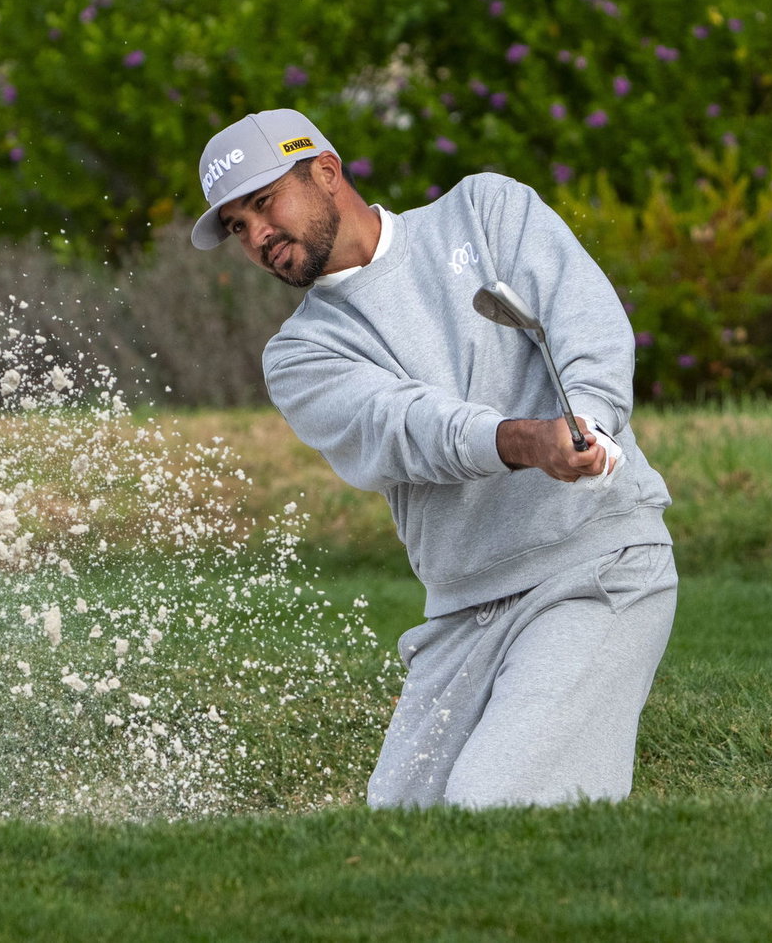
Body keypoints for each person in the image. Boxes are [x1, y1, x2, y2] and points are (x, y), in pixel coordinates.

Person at [189, 108, 677, 809]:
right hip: (461, 612)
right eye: (238, 226)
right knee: (402, 827)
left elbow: (586, 321)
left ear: (325, 172)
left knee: (492, 806)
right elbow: (409, 428)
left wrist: (589, 421)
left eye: (264, 203)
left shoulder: (485, 211)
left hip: (597, 566)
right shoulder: (298, 355)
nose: (258, 236)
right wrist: (525, 441)